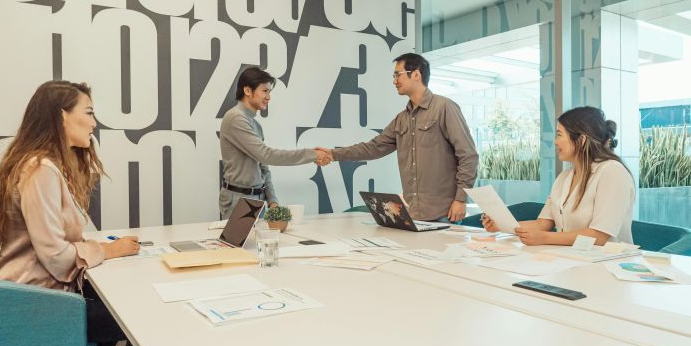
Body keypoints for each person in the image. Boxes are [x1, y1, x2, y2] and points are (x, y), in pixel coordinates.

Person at [0, 81, 146, 346]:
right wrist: (110, 250)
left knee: (123, 312)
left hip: (37, 297)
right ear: (62, 116)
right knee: (139, 318)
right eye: (88, 113)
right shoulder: (40, 169)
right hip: (37, 305)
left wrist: (99, 247)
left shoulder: (39, 164)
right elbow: (58, 258)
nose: (94, 123)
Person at [317, 53, 478, 223]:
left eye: (397, 75)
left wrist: (461, 199)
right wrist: (333, 154)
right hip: (414, 214)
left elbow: (468, 156)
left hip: (444, 214)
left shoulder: (445, 108)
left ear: (416, 74)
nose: (394, 81)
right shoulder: (401, 119)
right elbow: (373, 148)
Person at [482, 106, 635, 246]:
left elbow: (599, 236)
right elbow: (542, 225)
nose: (555, 142)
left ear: (581, 140)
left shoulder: (612, 172)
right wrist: (502, 225)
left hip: (608, 266)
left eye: (560, 135)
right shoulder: (564, 177)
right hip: (572, 260)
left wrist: (544, 238)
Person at [219, 67, 330, 219]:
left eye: (269, 92)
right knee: (240, 244)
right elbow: (266, 155)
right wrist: (312, 154)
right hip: (239, 200)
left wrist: (272, 200)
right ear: (247, 90)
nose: (269, 97)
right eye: (265, 91)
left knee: (262, 242)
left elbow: (263, 167)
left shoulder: (255, 125)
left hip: (257, 200)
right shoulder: (235, 118)